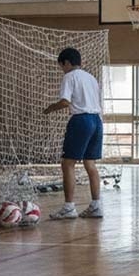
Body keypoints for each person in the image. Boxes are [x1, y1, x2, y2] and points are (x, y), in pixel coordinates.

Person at [44, 47, 104, 220]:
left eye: (61, 66)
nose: (62, 69)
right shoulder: (91, 78)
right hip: (96, 120)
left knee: (68, 163)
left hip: (81, 121)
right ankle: (96, 205)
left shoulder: (69, 76)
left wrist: (50, 108)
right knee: (90, 164)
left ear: (67, 63)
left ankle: (69, 207)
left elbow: (65, 102)